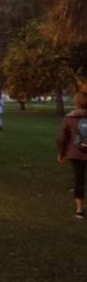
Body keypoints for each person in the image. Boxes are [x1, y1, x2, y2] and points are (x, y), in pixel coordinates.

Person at [57, 91, 87, 219]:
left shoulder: (69, 118)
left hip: (76, 152)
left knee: (79, 179)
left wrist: (62, 153)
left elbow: (61, 138)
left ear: (75, 102)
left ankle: (79, 210)